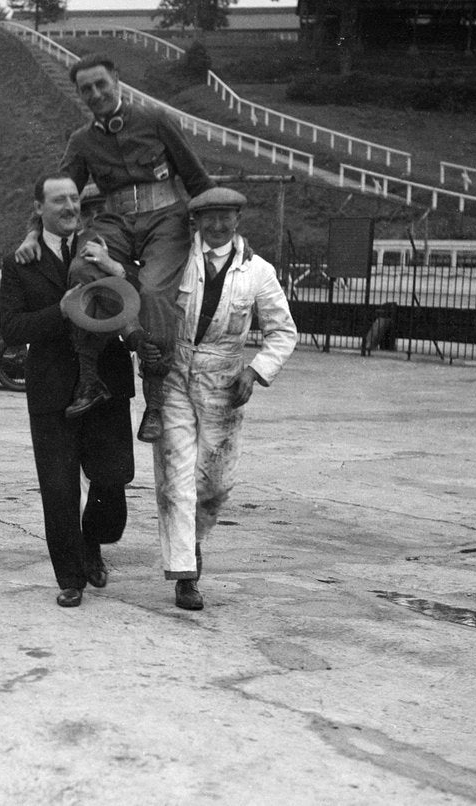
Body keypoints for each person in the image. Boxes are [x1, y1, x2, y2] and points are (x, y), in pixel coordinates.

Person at [16, 53, 215, 442]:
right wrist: (31, 233)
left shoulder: (156, 120)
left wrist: (220, 232)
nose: (95, 93)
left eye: (100, 84)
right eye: (85, 89)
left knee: (156, 290)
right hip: (116, 223)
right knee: (83, 270)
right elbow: (60, 190)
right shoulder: (82, 141)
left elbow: (196, 178)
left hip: (166, 220)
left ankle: (154, 398)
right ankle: (91, 378)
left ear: (117, 81)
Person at [156, 187, 296, 610]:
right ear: (195, 221)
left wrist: (255, 371)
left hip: (224, 381)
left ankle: (193, 539)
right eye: (208, 217)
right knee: (175, 476)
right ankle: (185, 573)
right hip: (174, 371)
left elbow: (283, 331)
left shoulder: (258, 270)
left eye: (226, 217)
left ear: (238, 219)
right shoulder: (176, 257)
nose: (217, 225)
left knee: (215, 483)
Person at [0, 172, 135, 608]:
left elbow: (138, 287)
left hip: (108, 384)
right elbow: (14, 328)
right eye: (59, 200)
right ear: (38, 207)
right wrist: (59, 312)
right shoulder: (20, 260)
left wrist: (116, 269)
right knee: (58, 490)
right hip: (53, 390)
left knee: (113, 478)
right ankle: (71, 575)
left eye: (75, 199)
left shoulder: (102, 243)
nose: (70, 207)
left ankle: (94, 539)